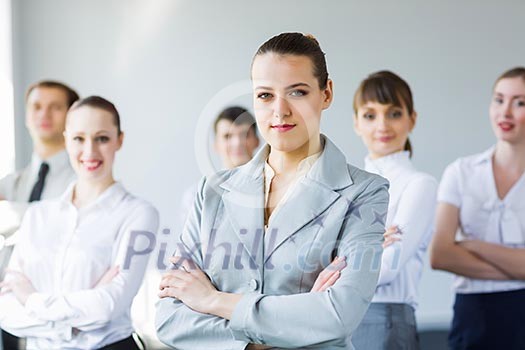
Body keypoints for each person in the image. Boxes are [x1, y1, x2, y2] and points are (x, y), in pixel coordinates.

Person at [156, 32, 389, 349]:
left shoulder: (364, 192)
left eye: (297, 92)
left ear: (327, 93)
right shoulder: (212, 191)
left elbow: (338, 314)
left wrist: (213, 300)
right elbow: (169, 318)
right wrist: (277, 334)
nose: (280, 111)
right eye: (265, 95)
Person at [0, 96, 159, 349]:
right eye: (79, 139)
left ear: (120, 140)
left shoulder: (139, 214)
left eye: (102, 138)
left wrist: (30, 299)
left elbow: (108, 305)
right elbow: (5, 310)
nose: (90, 151)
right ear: (66, 140)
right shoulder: (37, 215)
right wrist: (70, 324)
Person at [430, 67, 525, 349]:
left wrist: (473, 245)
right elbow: (440, 254)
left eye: (519, 102)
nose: (505, 112)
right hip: (474, 315)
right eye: (499, 99)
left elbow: (455, 248)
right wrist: (518, 268)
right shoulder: (460, 172)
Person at [351, 71, 437, 349]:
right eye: (370, 115)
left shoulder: (419, 185)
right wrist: (371, 243)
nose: (382, 125)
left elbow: (387, 268)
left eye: (394, 113)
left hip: (385, 320)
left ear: (412, 119)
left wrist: (339, 250)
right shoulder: (346, 186)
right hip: (338, 317)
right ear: (356, 123)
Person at [0, 80, 79, 349]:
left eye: (55, 107)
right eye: (36, 106)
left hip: (56, 317)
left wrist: (12, 215)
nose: (44, 114)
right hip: (8, 312)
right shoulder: (10, 185)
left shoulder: (82, 184)